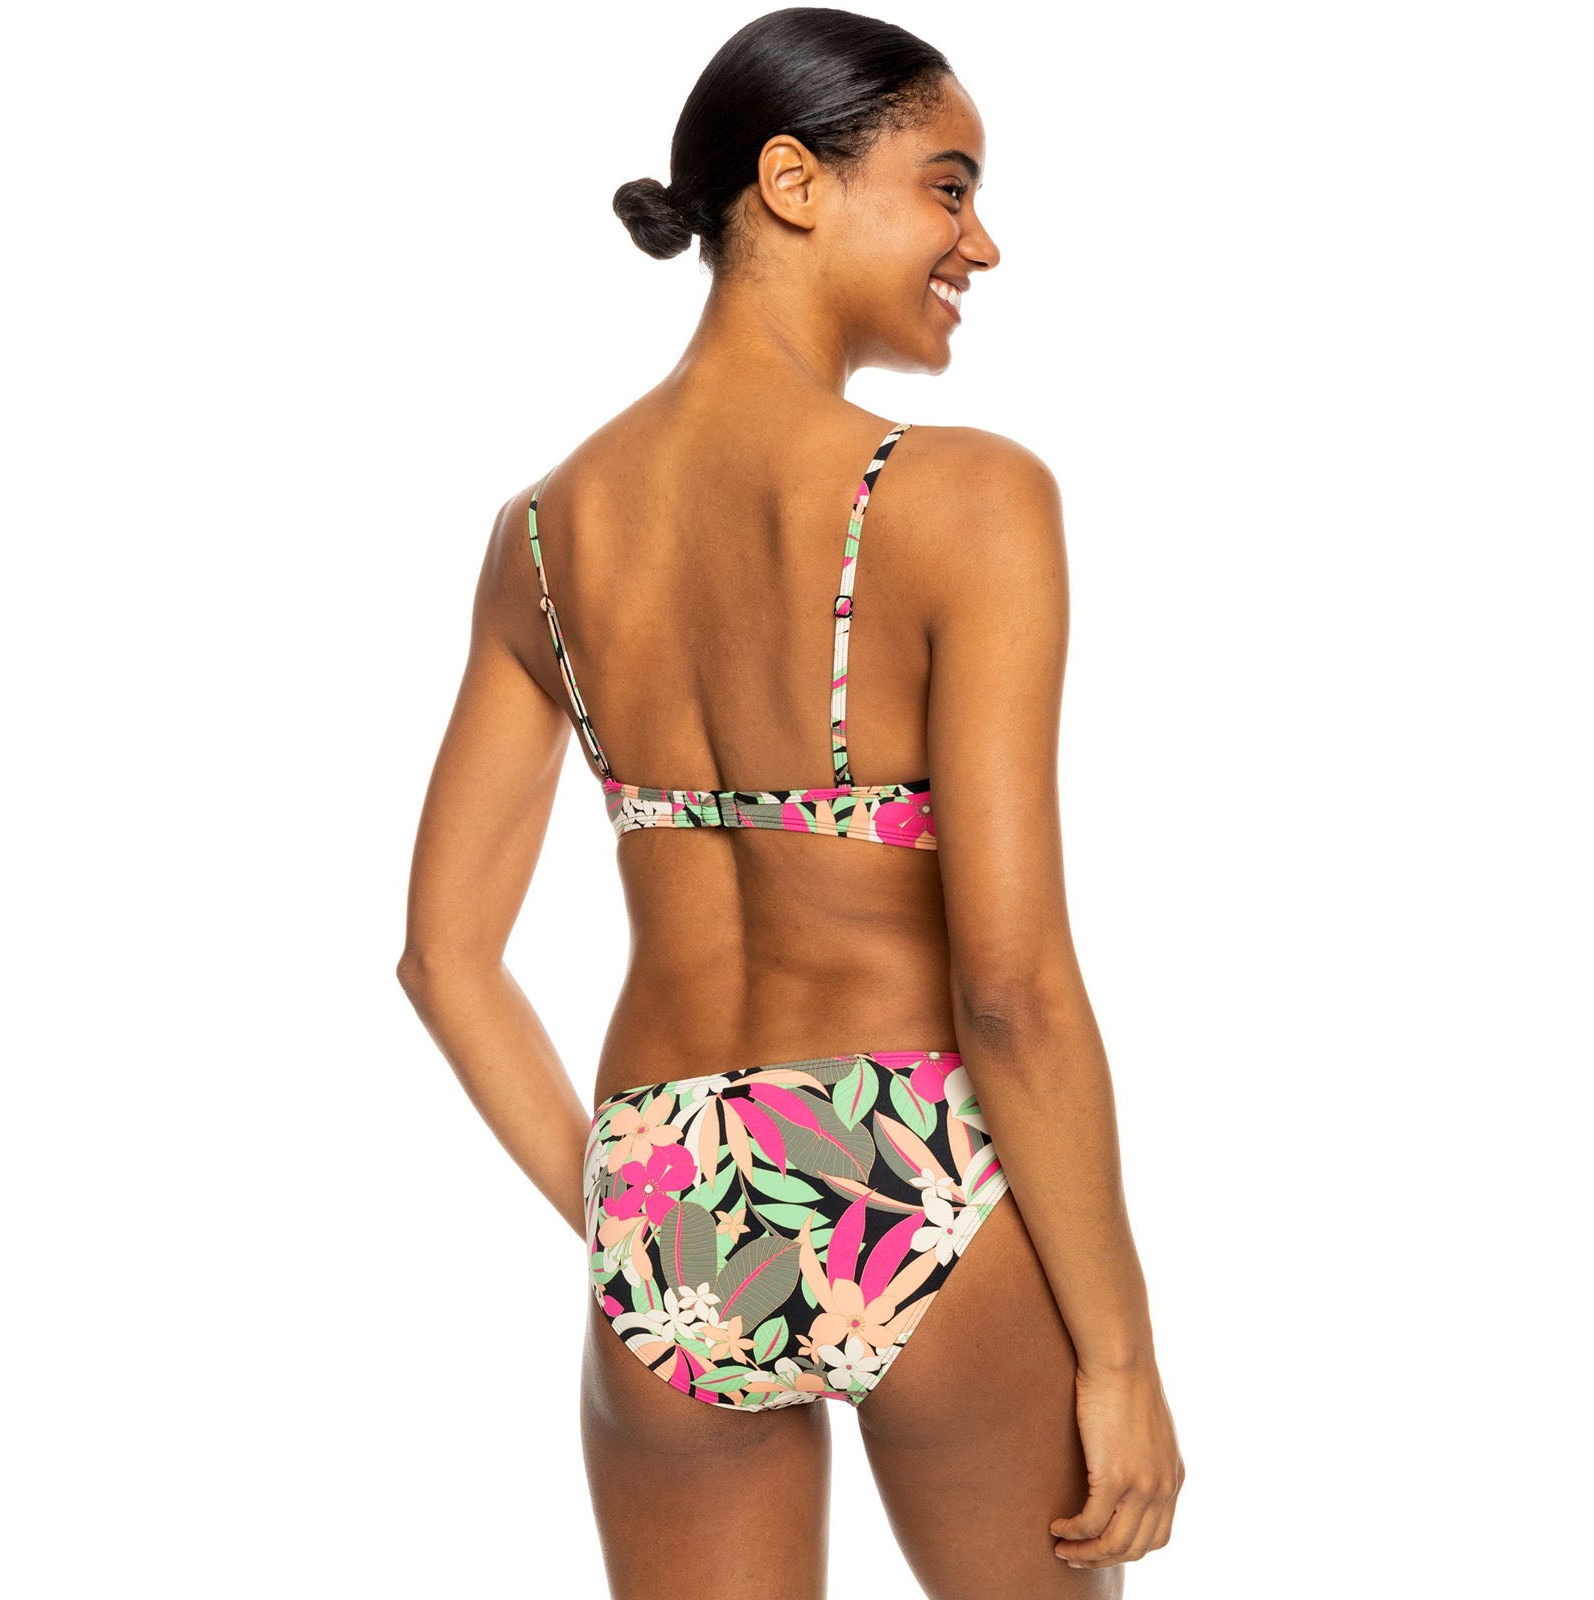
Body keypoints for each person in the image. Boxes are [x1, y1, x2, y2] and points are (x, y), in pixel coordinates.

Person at [396, 8, 1183, 1595]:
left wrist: (634, 1222)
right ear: (794, 181)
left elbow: (443, 959)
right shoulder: (970, 498)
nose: (983, 242)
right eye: (949, 186)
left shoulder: (542, 535)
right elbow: (1012, 989)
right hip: (910, 1169)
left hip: (671, 1193)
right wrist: (1121, 1356)